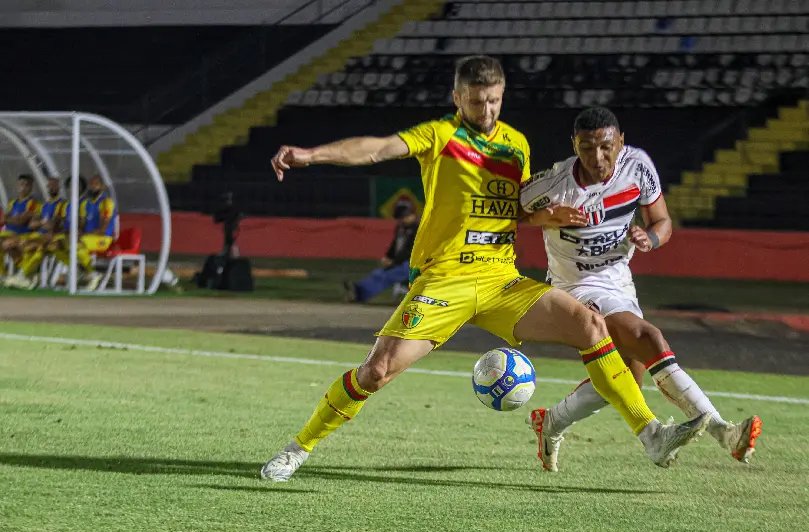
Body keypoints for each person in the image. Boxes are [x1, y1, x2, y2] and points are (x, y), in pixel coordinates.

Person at [261, 56, 709, 483]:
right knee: (376, 372)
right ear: (457, 98)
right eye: (477, 101)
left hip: (500, 280)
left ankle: (652, 436)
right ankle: (298, 448)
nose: (487, 109)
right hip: (445, 279)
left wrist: (544, 218)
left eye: (494, 99)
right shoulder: (440, 136)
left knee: (592, 325)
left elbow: (515, 209)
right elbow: (377, 149)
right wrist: (310, 155)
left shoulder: (516, 145)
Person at [520, 106, 762, 472]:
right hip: (575, 288)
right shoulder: (555, 184)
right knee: (649, 338)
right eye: (586, 148)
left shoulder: (638, 166)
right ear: (574, 144)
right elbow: (502, 210)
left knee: (627, 376)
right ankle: (723, 432)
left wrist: (649, 237)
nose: (596, 157)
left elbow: (662, 221)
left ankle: (550, 422)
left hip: (619, 283)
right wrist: (543, 217)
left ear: (620, 141)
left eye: (605, 147)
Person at [344, 199, 419, 303]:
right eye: (401, 217)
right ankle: (358, 291)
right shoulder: (401, 228)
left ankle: (359, 292)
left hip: (413, 264)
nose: (403, 219)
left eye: (405, 216)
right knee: (379, 273)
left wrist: (394, 262)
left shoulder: (419, 228)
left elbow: (411, 250)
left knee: (387, 275)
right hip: (401, 262)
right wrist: (388, 257)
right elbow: (395, 245)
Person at [52, 174, 117, 291]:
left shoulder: (106, 202)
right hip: (87, 238)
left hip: (103, 239)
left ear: (102, 187)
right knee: (56, 244)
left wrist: (82, 235)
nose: (92, 187)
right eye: (91, 184)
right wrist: (75, 232)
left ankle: (92, 274)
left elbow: (103, 229)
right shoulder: (85, 204)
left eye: (96, 184)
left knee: (76, 244)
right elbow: (81, 226)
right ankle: (79, 270)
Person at [5, 176, 66, 289]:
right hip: (38, 235)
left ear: (59, 187)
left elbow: (52, 225)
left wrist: (42, 222)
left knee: (34, 248)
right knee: (18, 246)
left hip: (51, 238)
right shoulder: (45, 205)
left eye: (54, 185)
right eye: (50, 185)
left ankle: (23, 276)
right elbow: (32, 224)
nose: (51, 187)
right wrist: (43, 222)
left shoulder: (62, 204)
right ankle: (25, 276)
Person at [0, 174, 40, 282]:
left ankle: (24, 273)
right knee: (4, 242)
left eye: (26, 185)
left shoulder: (33, 203)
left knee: (5, 242)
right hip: (9, 234)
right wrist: (13, 218)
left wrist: (12, 218)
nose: (23, 187)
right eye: (21, 184)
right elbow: (4, 219)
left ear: (31, 187)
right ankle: (4, 274)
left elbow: (21, 221)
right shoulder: (12, 202)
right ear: (18, 185)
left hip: (23, 235)